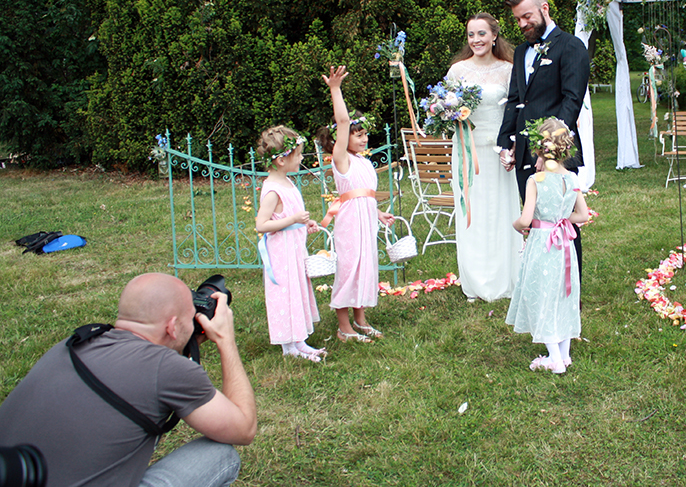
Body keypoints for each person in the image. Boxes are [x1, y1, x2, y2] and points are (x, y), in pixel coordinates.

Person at [0, 272, 257, 487]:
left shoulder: (75, 343)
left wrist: (179, 344)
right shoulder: (168, 371)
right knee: (220, 455)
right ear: (172, 327)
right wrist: (226, 340)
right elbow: (243, 429)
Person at [497, 0, 590, 276]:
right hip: (524, 151)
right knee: (537, 222)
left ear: (544, 8)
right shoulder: (521, 51)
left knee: (561, 221)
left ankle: (568, 289)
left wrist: (549, 148)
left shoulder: (571, 46)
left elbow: (571, 101)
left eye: (527, 16)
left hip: (556, 152)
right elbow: (515, 100)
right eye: (518, 19)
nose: (522, 24)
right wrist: (506, 144)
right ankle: (543, 283)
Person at [445, 13, 523, 302]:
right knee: (473, 212)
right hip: (467, 150)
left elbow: (515, 110)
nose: (476, 40)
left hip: (499, 151)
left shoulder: (508, 69)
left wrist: (512, 146)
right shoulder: (457, 71)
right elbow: (446, 108)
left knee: (501, 210)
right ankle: (475, 280)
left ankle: (505, 277)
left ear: (494, 36)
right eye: (470, 35)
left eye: (481, 34)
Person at [505, 117, 590, 374]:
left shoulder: (536, 180)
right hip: (563, 242)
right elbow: (583, 215)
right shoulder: (572, 178)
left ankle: (554, 359)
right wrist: (562, 221)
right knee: (562, 295)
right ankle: (564, 355)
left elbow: (527, 219)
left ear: (540, 149)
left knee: (541, 295)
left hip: (543, 245)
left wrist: (517, 225)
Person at [321, 65, 395, 343]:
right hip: (350, 225)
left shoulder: (364, 161)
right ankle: (344, 327)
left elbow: (362, 196)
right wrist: (335, 89)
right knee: (349, 269)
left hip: (366, 223)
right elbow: (342, 121)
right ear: (340, 139)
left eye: (365, 134)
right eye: (357, 134)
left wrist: (377, 212)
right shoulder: (342, 159)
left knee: (365, 267)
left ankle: (360, 319)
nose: (364, 138)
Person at [255, 125, 325, 362]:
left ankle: (299, 340)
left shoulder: (288, 182)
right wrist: (293, 219)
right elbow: (262, 224)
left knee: (296, 291)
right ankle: (288, 346)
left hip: (294, 249)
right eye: (298, 155)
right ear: (282, 160)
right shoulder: (272, 190)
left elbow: (291, 215)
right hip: (281, 253)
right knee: (285, 293)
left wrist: (304, 223)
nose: (302, 158)